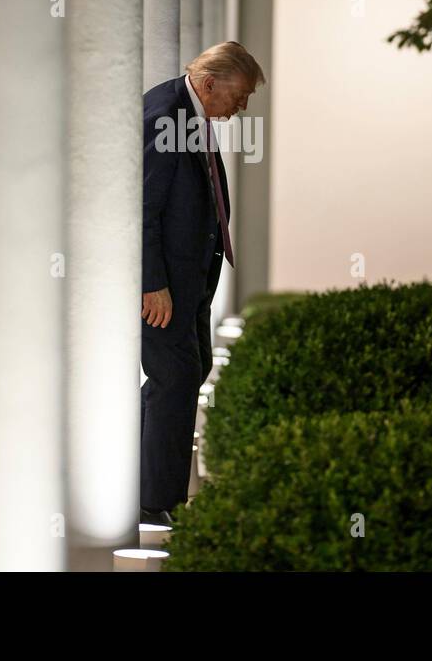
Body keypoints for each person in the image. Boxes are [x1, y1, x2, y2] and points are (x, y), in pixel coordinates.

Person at [139, 41, 265, 526]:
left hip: (189, 281)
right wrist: (152, 283)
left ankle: (152, 491)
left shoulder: (188, 111)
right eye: (241, 95)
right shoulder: (167, 112)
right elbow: (144, 207)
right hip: (166, 286)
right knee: (174, 379)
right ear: (211, 83)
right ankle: (157, 503)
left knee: (186, 373)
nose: (243, 107)